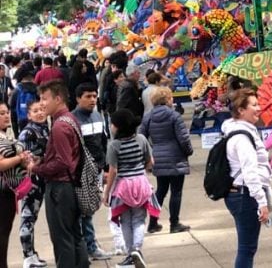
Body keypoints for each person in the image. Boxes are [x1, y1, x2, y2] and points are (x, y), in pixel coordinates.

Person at [30, 80, 89, 268]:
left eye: (44, 98)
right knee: (75, 235)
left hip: (60, 188)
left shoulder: (59, 126)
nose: (41, 103)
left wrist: (37, 168)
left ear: (58, 98)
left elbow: (64, 162)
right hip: (70, 186)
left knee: (62, 239)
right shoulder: (69, 119)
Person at [222, 89, 272, 268]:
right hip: (245, 195)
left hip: (239, 193)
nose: (258, 108)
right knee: (247, 248)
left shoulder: (237, 131)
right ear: (241, 110)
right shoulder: (243, 137)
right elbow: (250, 172)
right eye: (254, 105)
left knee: (247, 247)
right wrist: (261, 201)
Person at [103, 109, 157, 268]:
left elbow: (113, 170)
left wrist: (107, 193)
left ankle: (129, 253)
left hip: (123, 186)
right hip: (141, 182)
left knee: (125, 221)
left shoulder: (114, 145)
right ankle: (137, 249)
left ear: (118, 127)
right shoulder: (141, 139)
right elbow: (150, 162)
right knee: (139, 219)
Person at [138, 86, 192, 234]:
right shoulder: (174, 116)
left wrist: (149, 154)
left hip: (158, 156)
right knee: (176, 191)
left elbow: (141, 137)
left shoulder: (148, 116)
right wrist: (188, 151)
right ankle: (174, 222)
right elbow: (183, 138)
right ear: (167, 99)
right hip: (175, 157)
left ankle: (153, 222)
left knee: (161, 190)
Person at [70, 84, 112, 261]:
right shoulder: (72, 119)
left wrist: (106, 167)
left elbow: (103, 142)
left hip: (97, 170)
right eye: (88, 96)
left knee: (90, 210)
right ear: (78, 98)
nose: (93, 99)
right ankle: (88, 247)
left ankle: (89, 246)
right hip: (81, 173)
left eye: (95, 96)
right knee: (83, 212)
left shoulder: (97, 115)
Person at [18, 100, 49, 268]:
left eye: (42, 109)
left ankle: (32, 253)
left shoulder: (44, 129)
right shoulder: (27, 133)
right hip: (31, 182)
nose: (40, 113)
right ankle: (27, 257)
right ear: (29, 115)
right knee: (27, 218)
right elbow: (24, 158)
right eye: (35, 110)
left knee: (32, 217)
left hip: (41, 181)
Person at [0, 103, 32, 268]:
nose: (6, 116)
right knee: (2, 233)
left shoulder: (6, 135)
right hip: (2, 193)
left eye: (7, 112)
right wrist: (19, 159)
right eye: (1, 113)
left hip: (9, 193)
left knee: (5, 231)